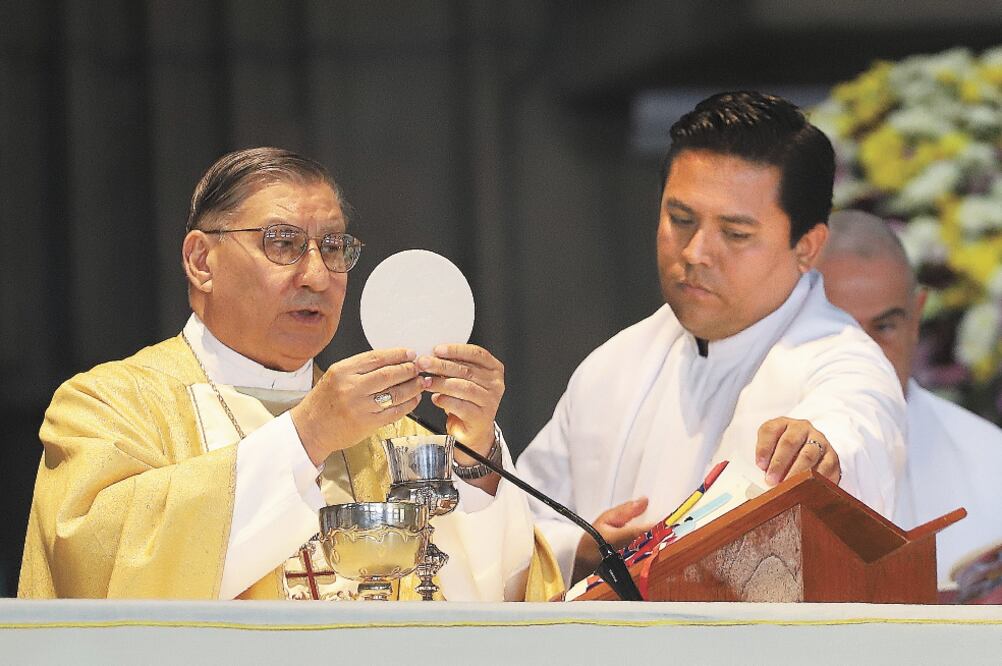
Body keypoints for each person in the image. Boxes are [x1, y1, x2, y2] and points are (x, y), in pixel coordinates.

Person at [19, 147, 561, 601]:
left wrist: (474, 459)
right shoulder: (107, 406)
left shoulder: (389, 434)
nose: (317, 275)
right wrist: (308, 437)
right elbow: (99, 567)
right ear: (201, 261)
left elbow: (494, 599)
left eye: (333, 247)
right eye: (282, 243)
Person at [516, 92, 906, 585]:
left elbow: (855, 427)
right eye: (681, 220)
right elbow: (519, 525)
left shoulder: (842, 361)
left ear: (807, 246)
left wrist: (821, 452)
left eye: (736, 233)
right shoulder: (614, 365)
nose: (696, 252)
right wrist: (586, 550)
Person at [817, 209, 1002, 589]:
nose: (864, 352)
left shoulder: (992, 461)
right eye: (839, 328)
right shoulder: (736, 450)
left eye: (884, 327)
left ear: (915, 319)